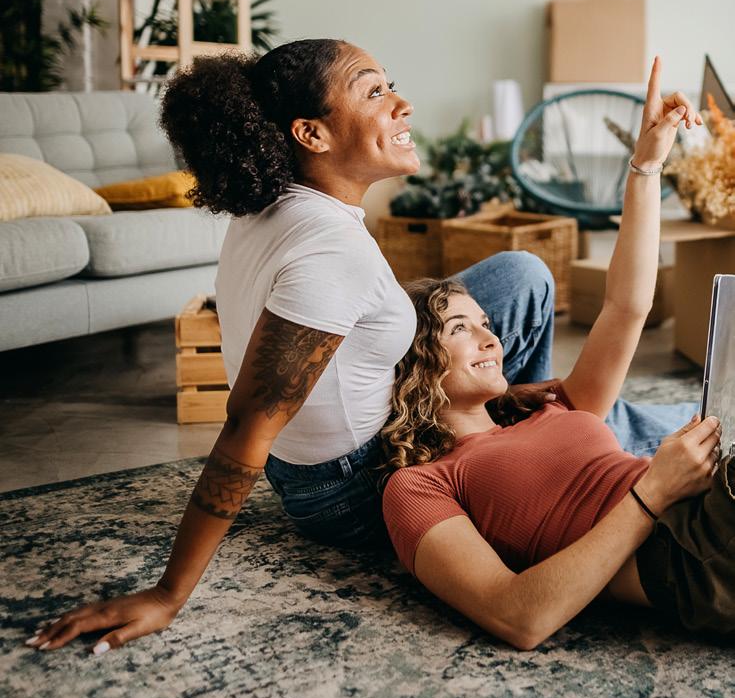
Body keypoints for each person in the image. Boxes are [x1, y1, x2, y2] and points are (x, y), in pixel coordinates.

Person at [24, 39, 554, 655]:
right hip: (351, 488)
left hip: (315, 459)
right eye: (374, 91)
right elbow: (248, 426)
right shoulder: (331, 250)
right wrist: (168, 593)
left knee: (517, 276)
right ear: (311, 133)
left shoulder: (277, 203)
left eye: (390, 85)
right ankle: (525, 457)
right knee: (558, 349)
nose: (402, 104)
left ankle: (503, 422)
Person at [381, 59, 735, 646]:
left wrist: (646, 165)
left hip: (710, 494)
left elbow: (626, 306)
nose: (491, 339)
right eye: (460, 329)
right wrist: (654, 491)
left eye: (486, 324)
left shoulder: (551, 407)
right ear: (414, 360)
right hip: (688, 551)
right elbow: (517, 616)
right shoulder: (419, 487)